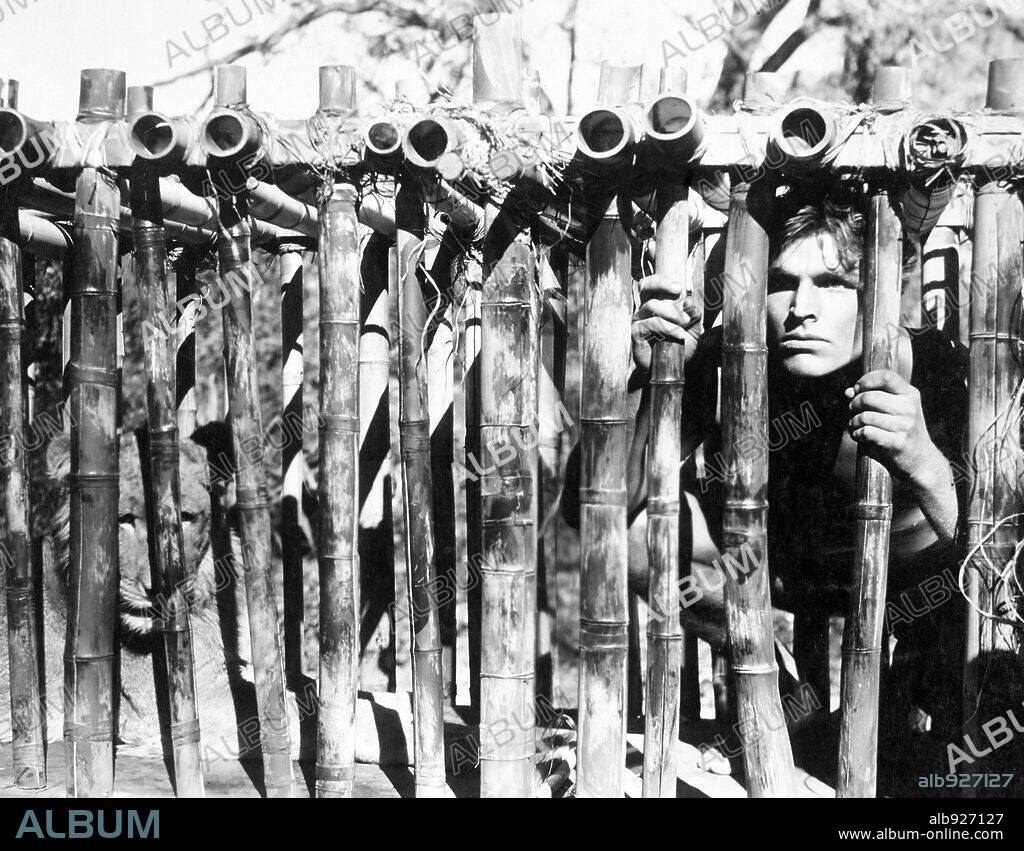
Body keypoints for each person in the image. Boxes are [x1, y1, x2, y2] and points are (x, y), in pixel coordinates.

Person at [562, 180, 969, 793]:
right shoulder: (738, 359)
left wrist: (926, 463)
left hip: (908, 584)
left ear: (880, 291)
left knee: (961, 617)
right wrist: (653, 382)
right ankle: (780, 695)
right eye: (784, 282)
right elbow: (592, 509)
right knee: (628, 538)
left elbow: (995, 553)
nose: (802, 306)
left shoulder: (943, 370)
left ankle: (911, 722)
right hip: (773, 566)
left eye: (832, 284)